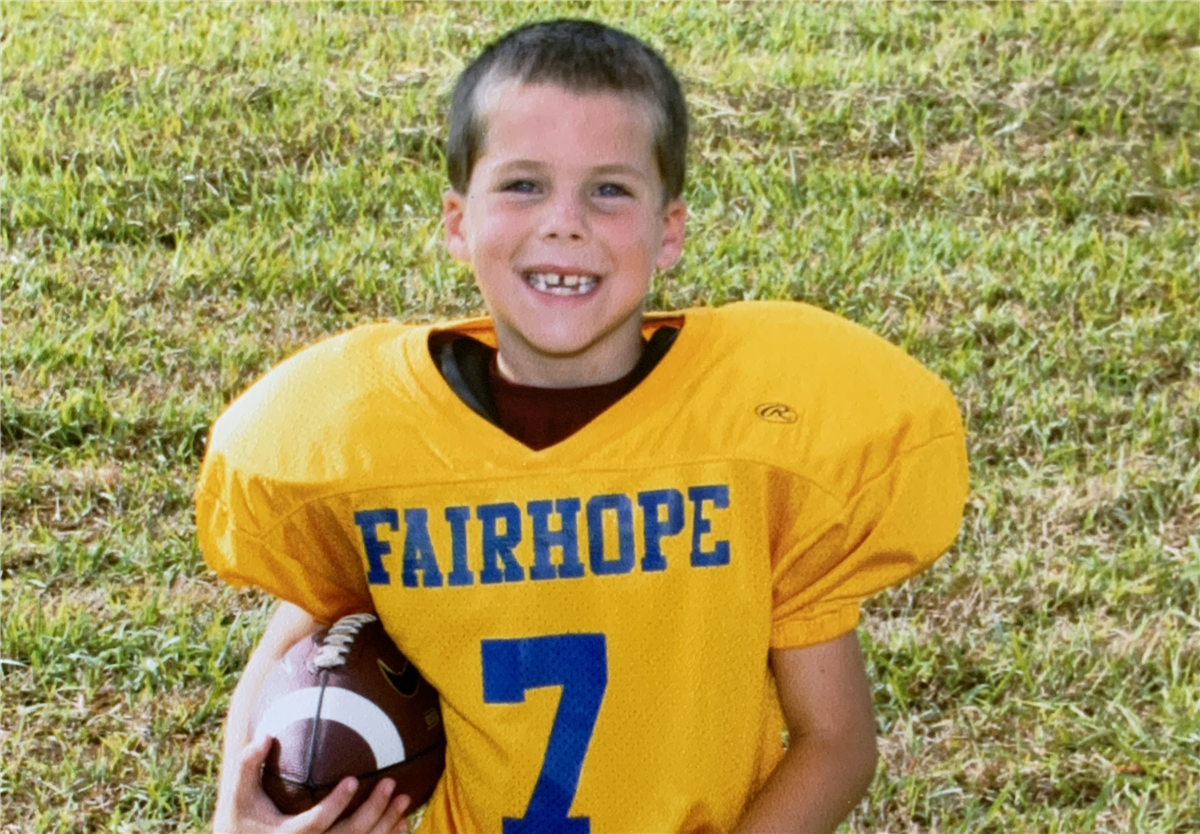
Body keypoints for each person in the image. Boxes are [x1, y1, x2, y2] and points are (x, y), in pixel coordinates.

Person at [198, 18, 969, 834]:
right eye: (524, 184)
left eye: (609, 189)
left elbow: (837, 737)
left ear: (666, 231)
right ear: (458, 222)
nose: (564, 222)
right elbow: (294, 650)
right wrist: (235, 818)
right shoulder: (369, 435)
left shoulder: (754, 433)